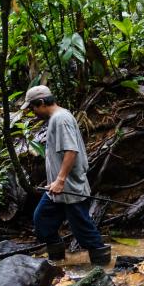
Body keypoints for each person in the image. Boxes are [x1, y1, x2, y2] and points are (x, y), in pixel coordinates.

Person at [21, 85, 111, 265]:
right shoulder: (56, 118)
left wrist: (61, 180)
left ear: (41, 102)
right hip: (57, 189)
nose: (32, 112)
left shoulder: (61, 119)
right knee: (42, 220)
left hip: (70, 187)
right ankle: (57, 263)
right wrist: (55, 181)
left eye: (32, 108)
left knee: (83, 229)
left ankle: (104, 270)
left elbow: (71, 150)